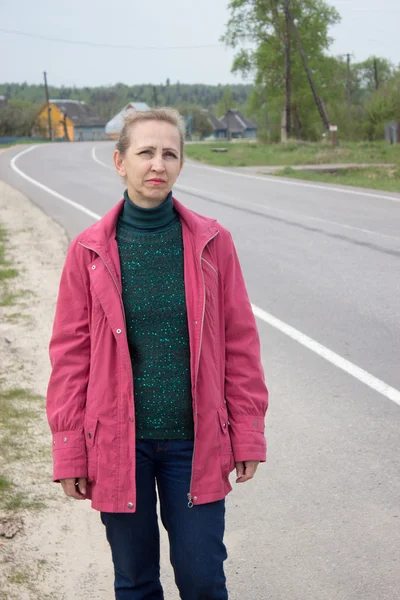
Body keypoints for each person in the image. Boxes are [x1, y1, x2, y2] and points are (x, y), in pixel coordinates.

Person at [46, 107, 268, 600]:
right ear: (119, 161)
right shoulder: (89, 250)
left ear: (182, 164)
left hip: (195, 444)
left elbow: (239, 343)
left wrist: (248, 432)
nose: (158, 164)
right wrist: (69, 448)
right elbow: (70, 356)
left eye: (170, 153)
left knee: (203, 580)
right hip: (118, 443)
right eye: (145, 152)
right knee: (136, 582)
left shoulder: (213, 243)